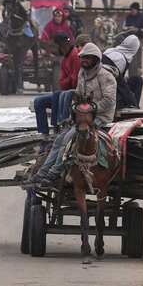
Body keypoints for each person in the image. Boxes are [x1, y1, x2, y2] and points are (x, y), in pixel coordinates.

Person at [28, 43, 118, 187]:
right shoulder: (82, 73)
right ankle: (42, 173)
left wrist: (90, 110)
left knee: (68, 139)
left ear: (96, 59)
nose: (84, 61)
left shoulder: (105, 76)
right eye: (83, 58)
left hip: (100, 117)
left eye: (88, 58)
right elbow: (78, 94)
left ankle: (54, 173)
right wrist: (75, 110)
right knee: (59, 139)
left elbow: (109, 100)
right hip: (82, 116)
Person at [31, 33, 78, 135]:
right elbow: (63, 80)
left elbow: (73, 80)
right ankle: (43, 132)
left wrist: (65, 82)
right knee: (38, 102)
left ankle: (56, 126)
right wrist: (65, 82)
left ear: (62, 45)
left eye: (54, 47)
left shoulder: (74, 56)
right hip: (65, 91)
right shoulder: (65, 58)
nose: (53, 51)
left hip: (73, 93)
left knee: (57, 94)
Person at [102, 34, 143, 109]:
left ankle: (133, 105)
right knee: (131, 95)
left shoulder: (111, 50)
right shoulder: (121, 59)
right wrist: (131, 99)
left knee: (137, 80)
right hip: (107, 90)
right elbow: (115, 82)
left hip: (109, 84)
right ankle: (133, 107)